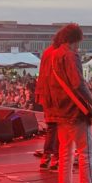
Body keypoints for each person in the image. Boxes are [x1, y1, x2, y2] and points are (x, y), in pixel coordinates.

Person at [43, 23, 92, 183]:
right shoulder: (70, 56)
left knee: (65, 153)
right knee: (86, 151)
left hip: (60, 111)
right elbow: (78, 84)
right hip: (74, 111)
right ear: (74, 39)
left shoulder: (52, 55)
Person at [34, 37, 59, 170]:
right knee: (59, 127)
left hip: (45, 94)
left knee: (51, 127)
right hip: (55, 95)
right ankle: (56, 158)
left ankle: (46, 157)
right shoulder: (58, 52)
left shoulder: (46, 52)